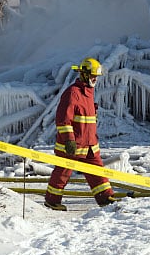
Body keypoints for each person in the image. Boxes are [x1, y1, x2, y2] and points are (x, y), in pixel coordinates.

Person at [44, 57, 119, 211]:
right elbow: (63, 119)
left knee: (97, 171)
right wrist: (69, 140)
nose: (95, 79)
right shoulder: (73, 93)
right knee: (63, 173)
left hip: (90, 144)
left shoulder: (89, 93)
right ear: (84, 74)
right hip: (73, 145)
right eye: (93, 76)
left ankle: (105, 197)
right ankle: (52, 201)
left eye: (96, 77)